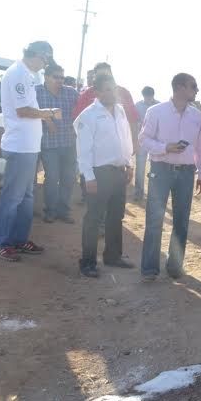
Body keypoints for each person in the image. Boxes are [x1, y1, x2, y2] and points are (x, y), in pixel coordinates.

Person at [0, 41, 61, 262]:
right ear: (37, 55)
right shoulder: (18, 73)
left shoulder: (28, 74)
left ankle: (19, 240)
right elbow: (22, 111)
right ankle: (1, 243)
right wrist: (48, 113)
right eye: (45, 59)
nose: (45, 65)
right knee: (13, 197)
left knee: (26, 197)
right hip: (20, 146)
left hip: (29, 147)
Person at [139, 73, 201, 281]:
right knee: (154, 220)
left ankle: (175, 266)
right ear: (179, 87)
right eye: (193, 86)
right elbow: (143, 139)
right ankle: (149, 269)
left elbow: (200, 148)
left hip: (186, 173)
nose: (196, 90)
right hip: (160, 170)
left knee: (181, 221)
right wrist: (164, 148)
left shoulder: (197, 115)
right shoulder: (156, 111)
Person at [74, 75, 135, 277]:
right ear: (97, 92)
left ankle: (113, 256)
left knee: (116, 216)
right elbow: (83, 150)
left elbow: (126, 138)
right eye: (106, 89)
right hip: (98, 174)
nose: (111, 93)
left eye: (113, 88)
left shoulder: (120, 111)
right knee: (94, 218)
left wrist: (130, 164)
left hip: (119, 172)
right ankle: (88, 262)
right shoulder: (88, 116)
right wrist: (88, 177)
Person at [35, 63, 80, 223]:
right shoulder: (36, 92)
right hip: (49, 144)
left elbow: (81, 113)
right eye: (56, 77)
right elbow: (30, 112)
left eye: (62, 77)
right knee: (52, 178)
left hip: (69, 143)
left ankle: (63, 211)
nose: (60, 80)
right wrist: (46, 119)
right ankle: (50, 211)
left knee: (68, 178)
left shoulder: (72, 93)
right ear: (46, 77)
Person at [133, 86, 159, 201]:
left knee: (155, 167)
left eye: (150, 97)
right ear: (143, 96)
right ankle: (139, 192)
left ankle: (154, 193)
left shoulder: (159, 106)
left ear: (153, 96)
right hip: (142, 140)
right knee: (140, 168)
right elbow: (135, 122)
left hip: (156, 140)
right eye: (146, 97)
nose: (148, 99)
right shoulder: (137, 106)